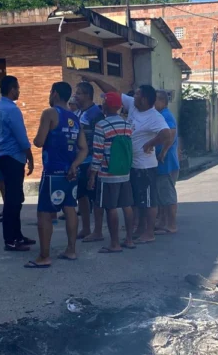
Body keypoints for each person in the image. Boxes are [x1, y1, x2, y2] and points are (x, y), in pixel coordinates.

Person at [83, 77, 173, 244]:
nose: (133, 96)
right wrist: (96, 80)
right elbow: (114, 93)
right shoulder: (133, 105)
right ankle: (138, 230)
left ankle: (149, 232)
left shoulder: (154, 116)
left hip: (145, 166)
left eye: (137, 94)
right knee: (135, 201)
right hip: (131, 164)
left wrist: (151, 143)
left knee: (148, 200)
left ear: (144, 99)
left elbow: (167, 134)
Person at [26, 82, 87, 268]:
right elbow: (83, 149)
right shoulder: (75, 118)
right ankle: (71, 250)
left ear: (54, 94)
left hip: (53, 172)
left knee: (44, 213)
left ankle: (44, 256)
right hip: (71, 172)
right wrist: (74, 165)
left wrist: (36, 138)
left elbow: (39, 141)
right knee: (70, 209)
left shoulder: (49, 113)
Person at [0, 75, 36, 252]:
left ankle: (17, 236)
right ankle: (11, 240)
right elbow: (21, 137)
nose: (19, 91)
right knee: (13, 200)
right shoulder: (11, 109)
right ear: (12, 89)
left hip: (3, 156)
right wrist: (30, 158)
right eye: (17, 88)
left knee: (14, 199)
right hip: (13, 157)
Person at [88, 92, 136, 253]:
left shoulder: (101, 125)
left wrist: (93, 174)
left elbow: (98, 152)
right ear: (120, 107)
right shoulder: (127, 125)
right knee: (127, 206)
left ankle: (114, 244)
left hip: (108, 174)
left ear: (106, 107)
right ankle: (129, 240)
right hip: (124, 172)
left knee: (111, 208)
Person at [73, 82, 105, 242]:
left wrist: (95, 165)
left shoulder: (96, 114)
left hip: (92, 161)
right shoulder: (78, 112)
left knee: (95, 197)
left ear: (87, 95)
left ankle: (97, 230)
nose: (75, 96)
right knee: (82, 196)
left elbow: (100, 139)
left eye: (78, 93)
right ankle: (86, 228)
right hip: (79, 161)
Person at [154, 90, 180, 235]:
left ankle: (171, 224)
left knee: (168, 195)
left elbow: (171, 133)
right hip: (164, 163)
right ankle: (163, 222)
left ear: (162, 101)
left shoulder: (165, 115)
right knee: (162, 195)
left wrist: (163, 152)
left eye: (155, 101)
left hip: (167, 163)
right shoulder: (162, 115)